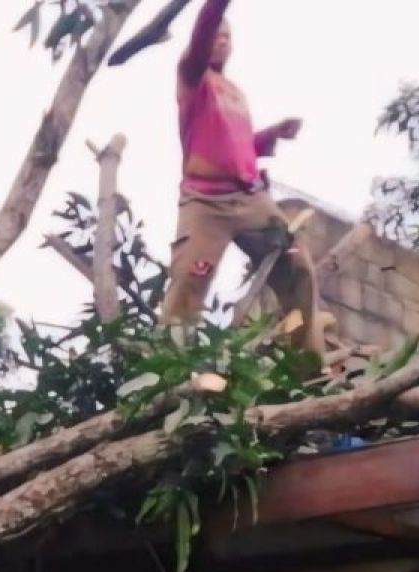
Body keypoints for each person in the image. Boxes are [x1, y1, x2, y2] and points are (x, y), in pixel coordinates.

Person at [158, 0, 324, 354]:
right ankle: (169, 372)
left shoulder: (236, 93)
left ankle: (306, 362)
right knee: (189, 280)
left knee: (297, 265)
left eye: (226, 36)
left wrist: (273, 134)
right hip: (205, 204)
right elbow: (205, 25)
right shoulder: (192, 77)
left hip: (251, 200)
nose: (220, 39)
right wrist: (215, 8)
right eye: (215, 33)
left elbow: (238, 148)